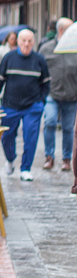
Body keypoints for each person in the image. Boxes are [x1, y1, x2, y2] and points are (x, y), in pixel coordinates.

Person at [0, 28, 51, 181]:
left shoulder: (39, 60)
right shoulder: (8, 58)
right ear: (17, 42)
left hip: (32, 106)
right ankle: (10, 159)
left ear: (33, 43)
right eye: (23, 41)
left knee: (31, 136)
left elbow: (46, 83)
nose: (26, 44)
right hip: (10, 105)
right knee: (7, 136)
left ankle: (25, 168)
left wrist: (41, 102)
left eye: (29, 41)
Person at [41, 23, 77, 172]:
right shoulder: (47, 48)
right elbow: (40, 70)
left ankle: (66, 159)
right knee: (49, 121)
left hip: (72, 94)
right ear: (61, 30)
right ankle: (49, 156)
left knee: (68, 128)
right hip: (52, 93)